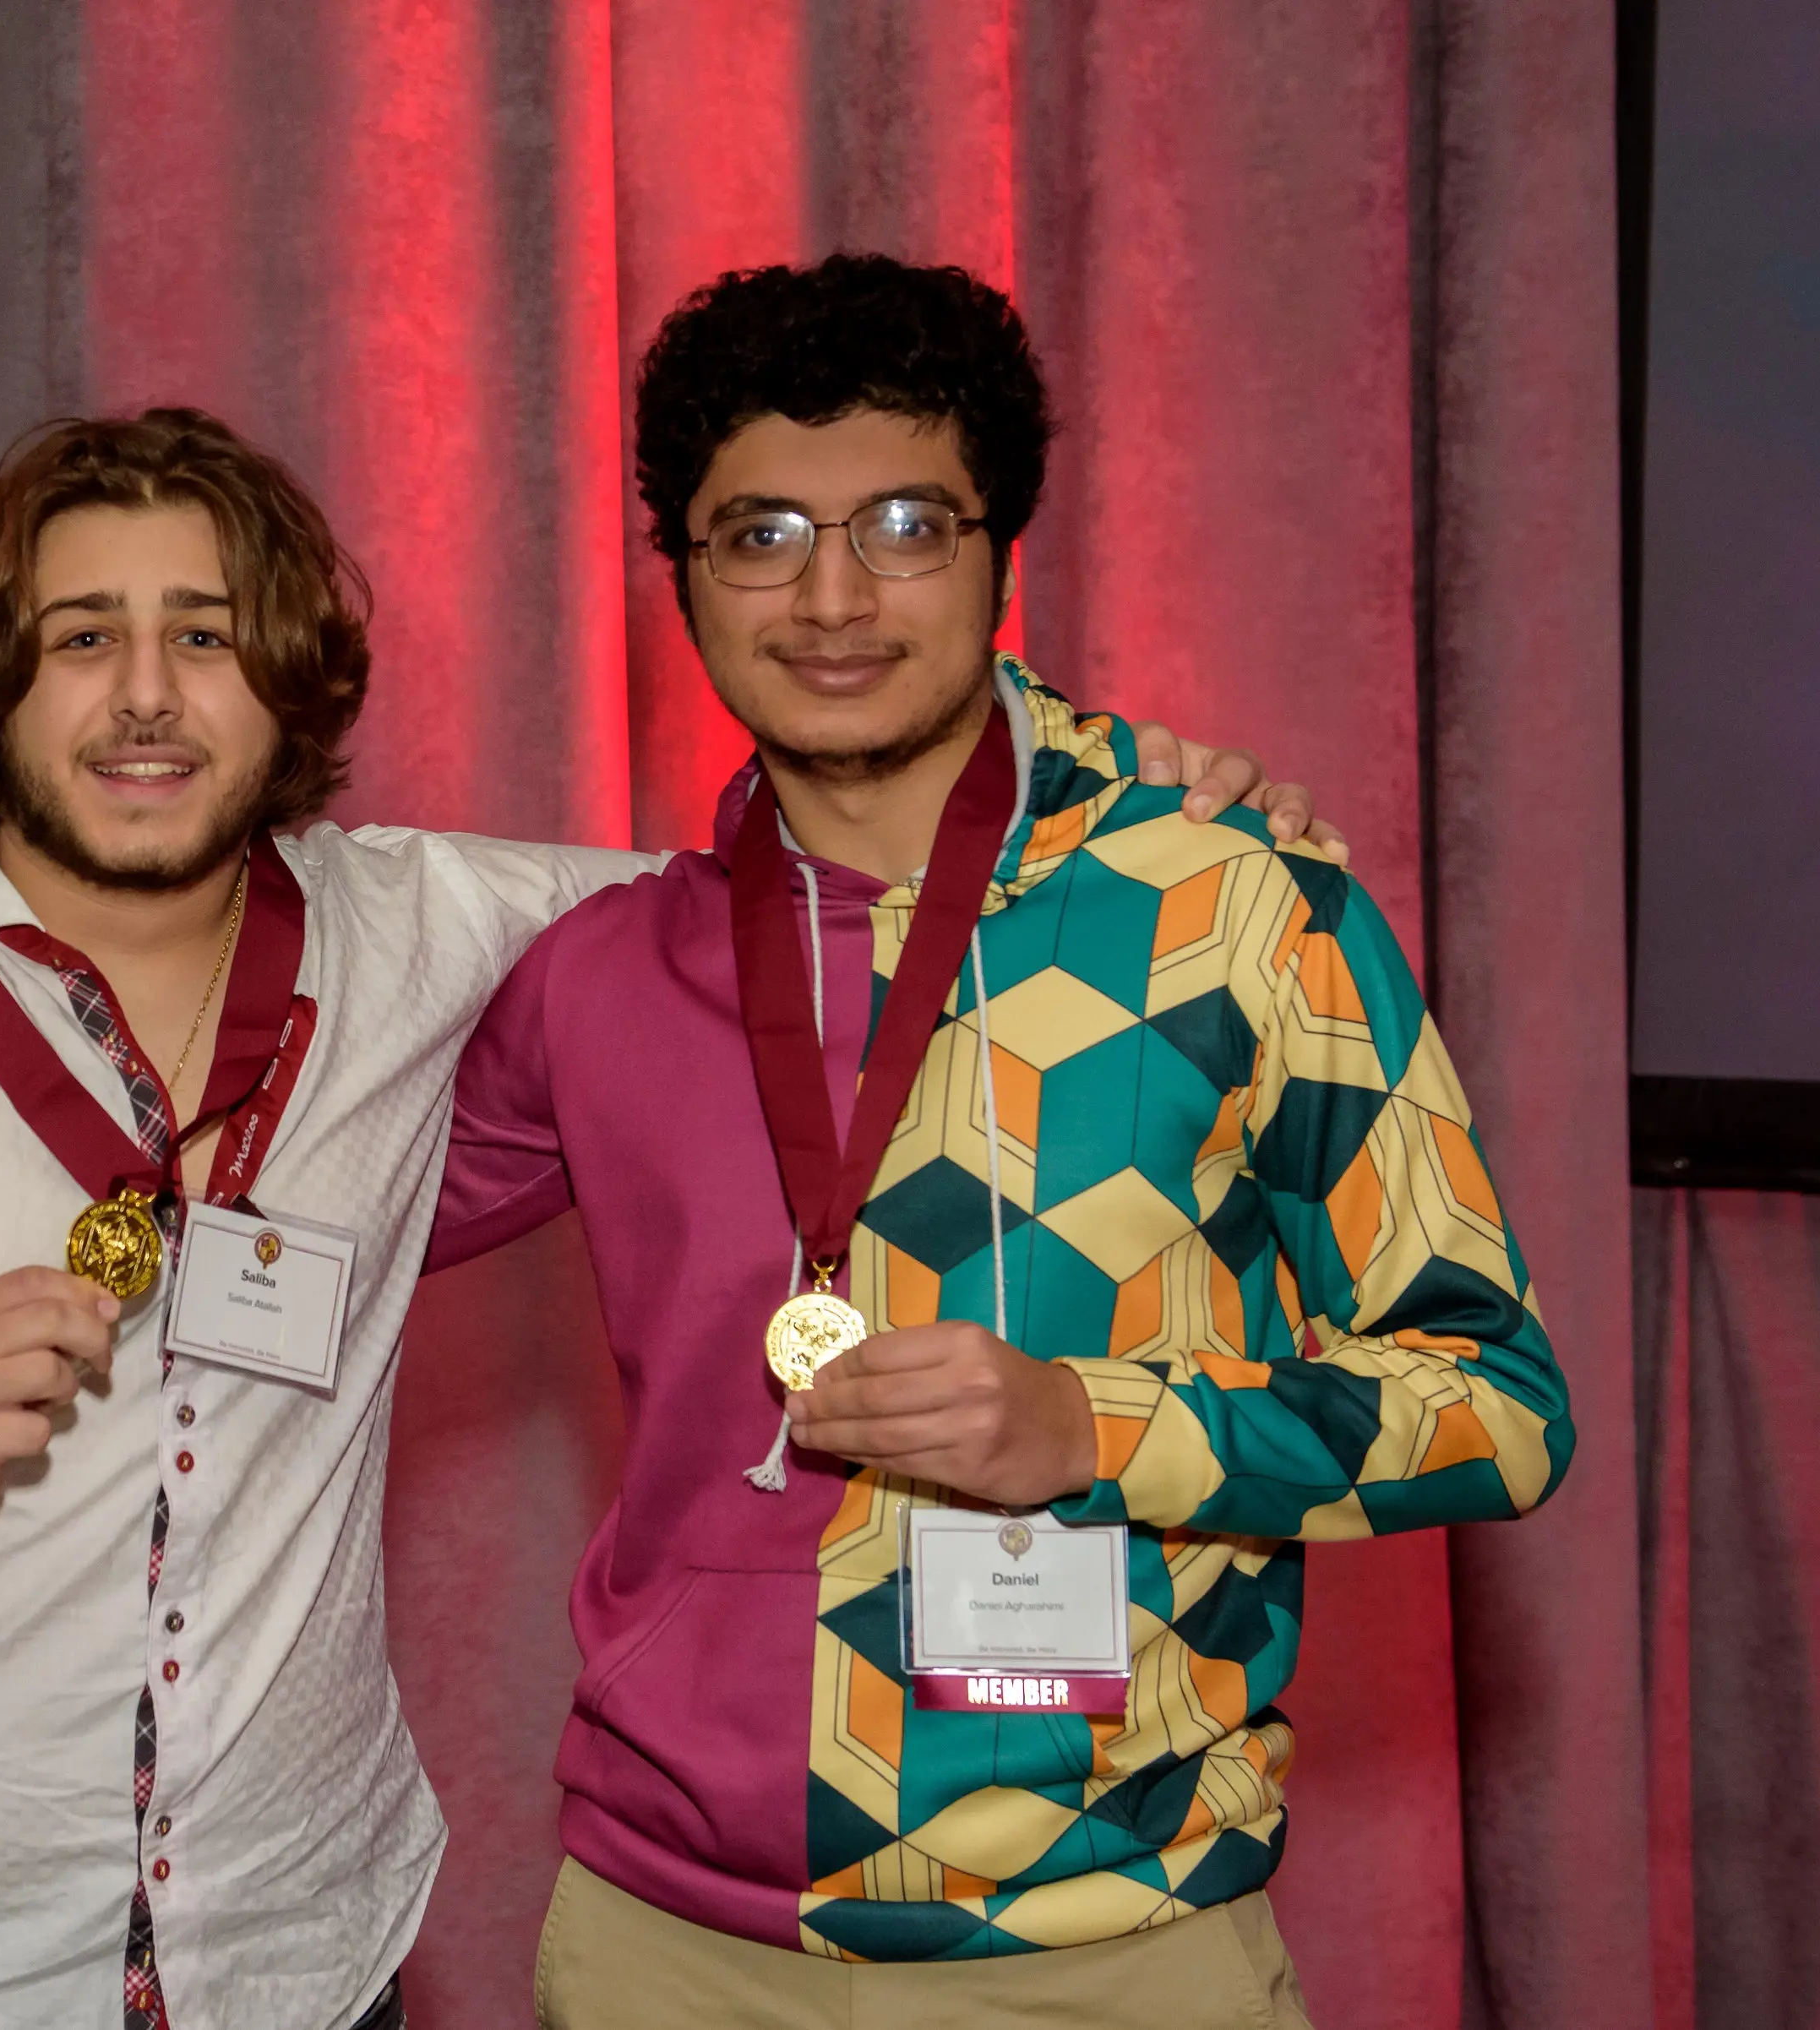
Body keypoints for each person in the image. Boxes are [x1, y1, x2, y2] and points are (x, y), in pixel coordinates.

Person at [0, 412, 1327, 2024]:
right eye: (82, 637)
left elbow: (822, 894)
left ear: (285, 676)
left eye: (207, 635)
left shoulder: (434, 933)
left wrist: (1120, 803)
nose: (146, 696)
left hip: (294, 1962)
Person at [429, 254, 1572, 2025]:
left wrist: (1089, 1426)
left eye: (905, 524)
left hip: (1114, 1947)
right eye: (759, 534)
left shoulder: (1237, 912)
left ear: (1000, 554)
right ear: (685, 579)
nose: (832, 595)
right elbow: (282, 1220)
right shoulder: (599, 973)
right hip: (670, 1949)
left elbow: (1498, 1406)